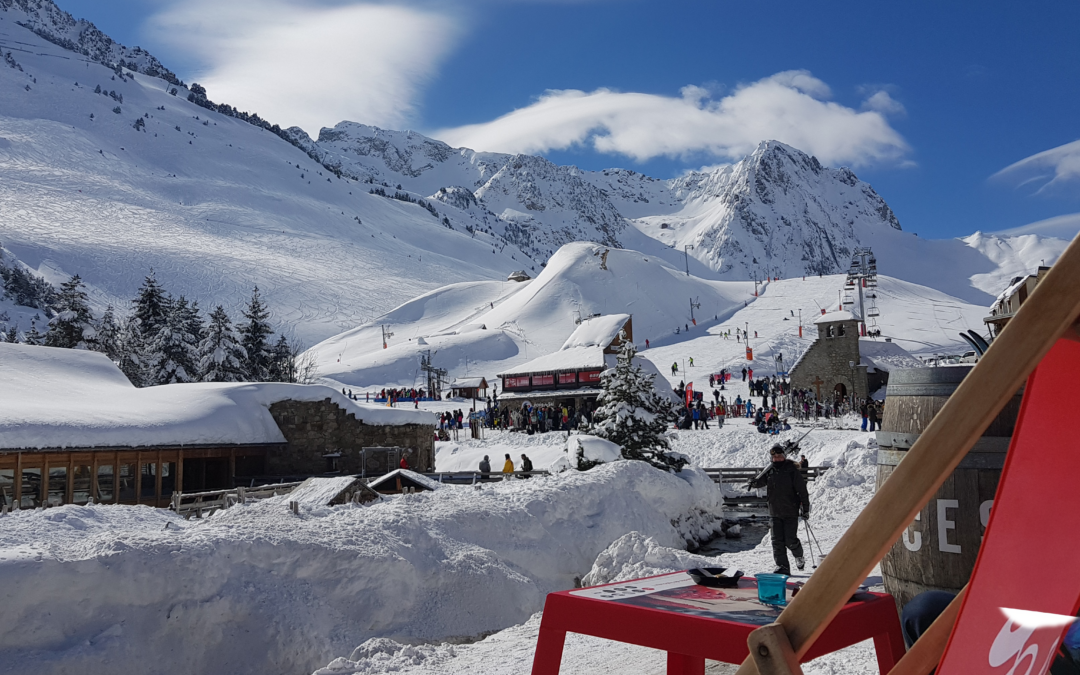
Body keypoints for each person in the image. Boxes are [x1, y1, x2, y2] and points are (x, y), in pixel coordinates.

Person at [751, 445, 810, 575]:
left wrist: (805, 508)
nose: (777, 459)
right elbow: (760, 482)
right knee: (777, 542)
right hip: (774, 511)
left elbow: (802, 490)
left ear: (784, 456)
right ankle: (782, 567)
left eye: (779, 456)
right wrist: (754, 482)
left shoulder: (791, 470)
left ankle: (799, 555)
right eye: (774, 457)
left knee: (790, 540)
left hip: (790, 510)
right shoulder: (770, 471)